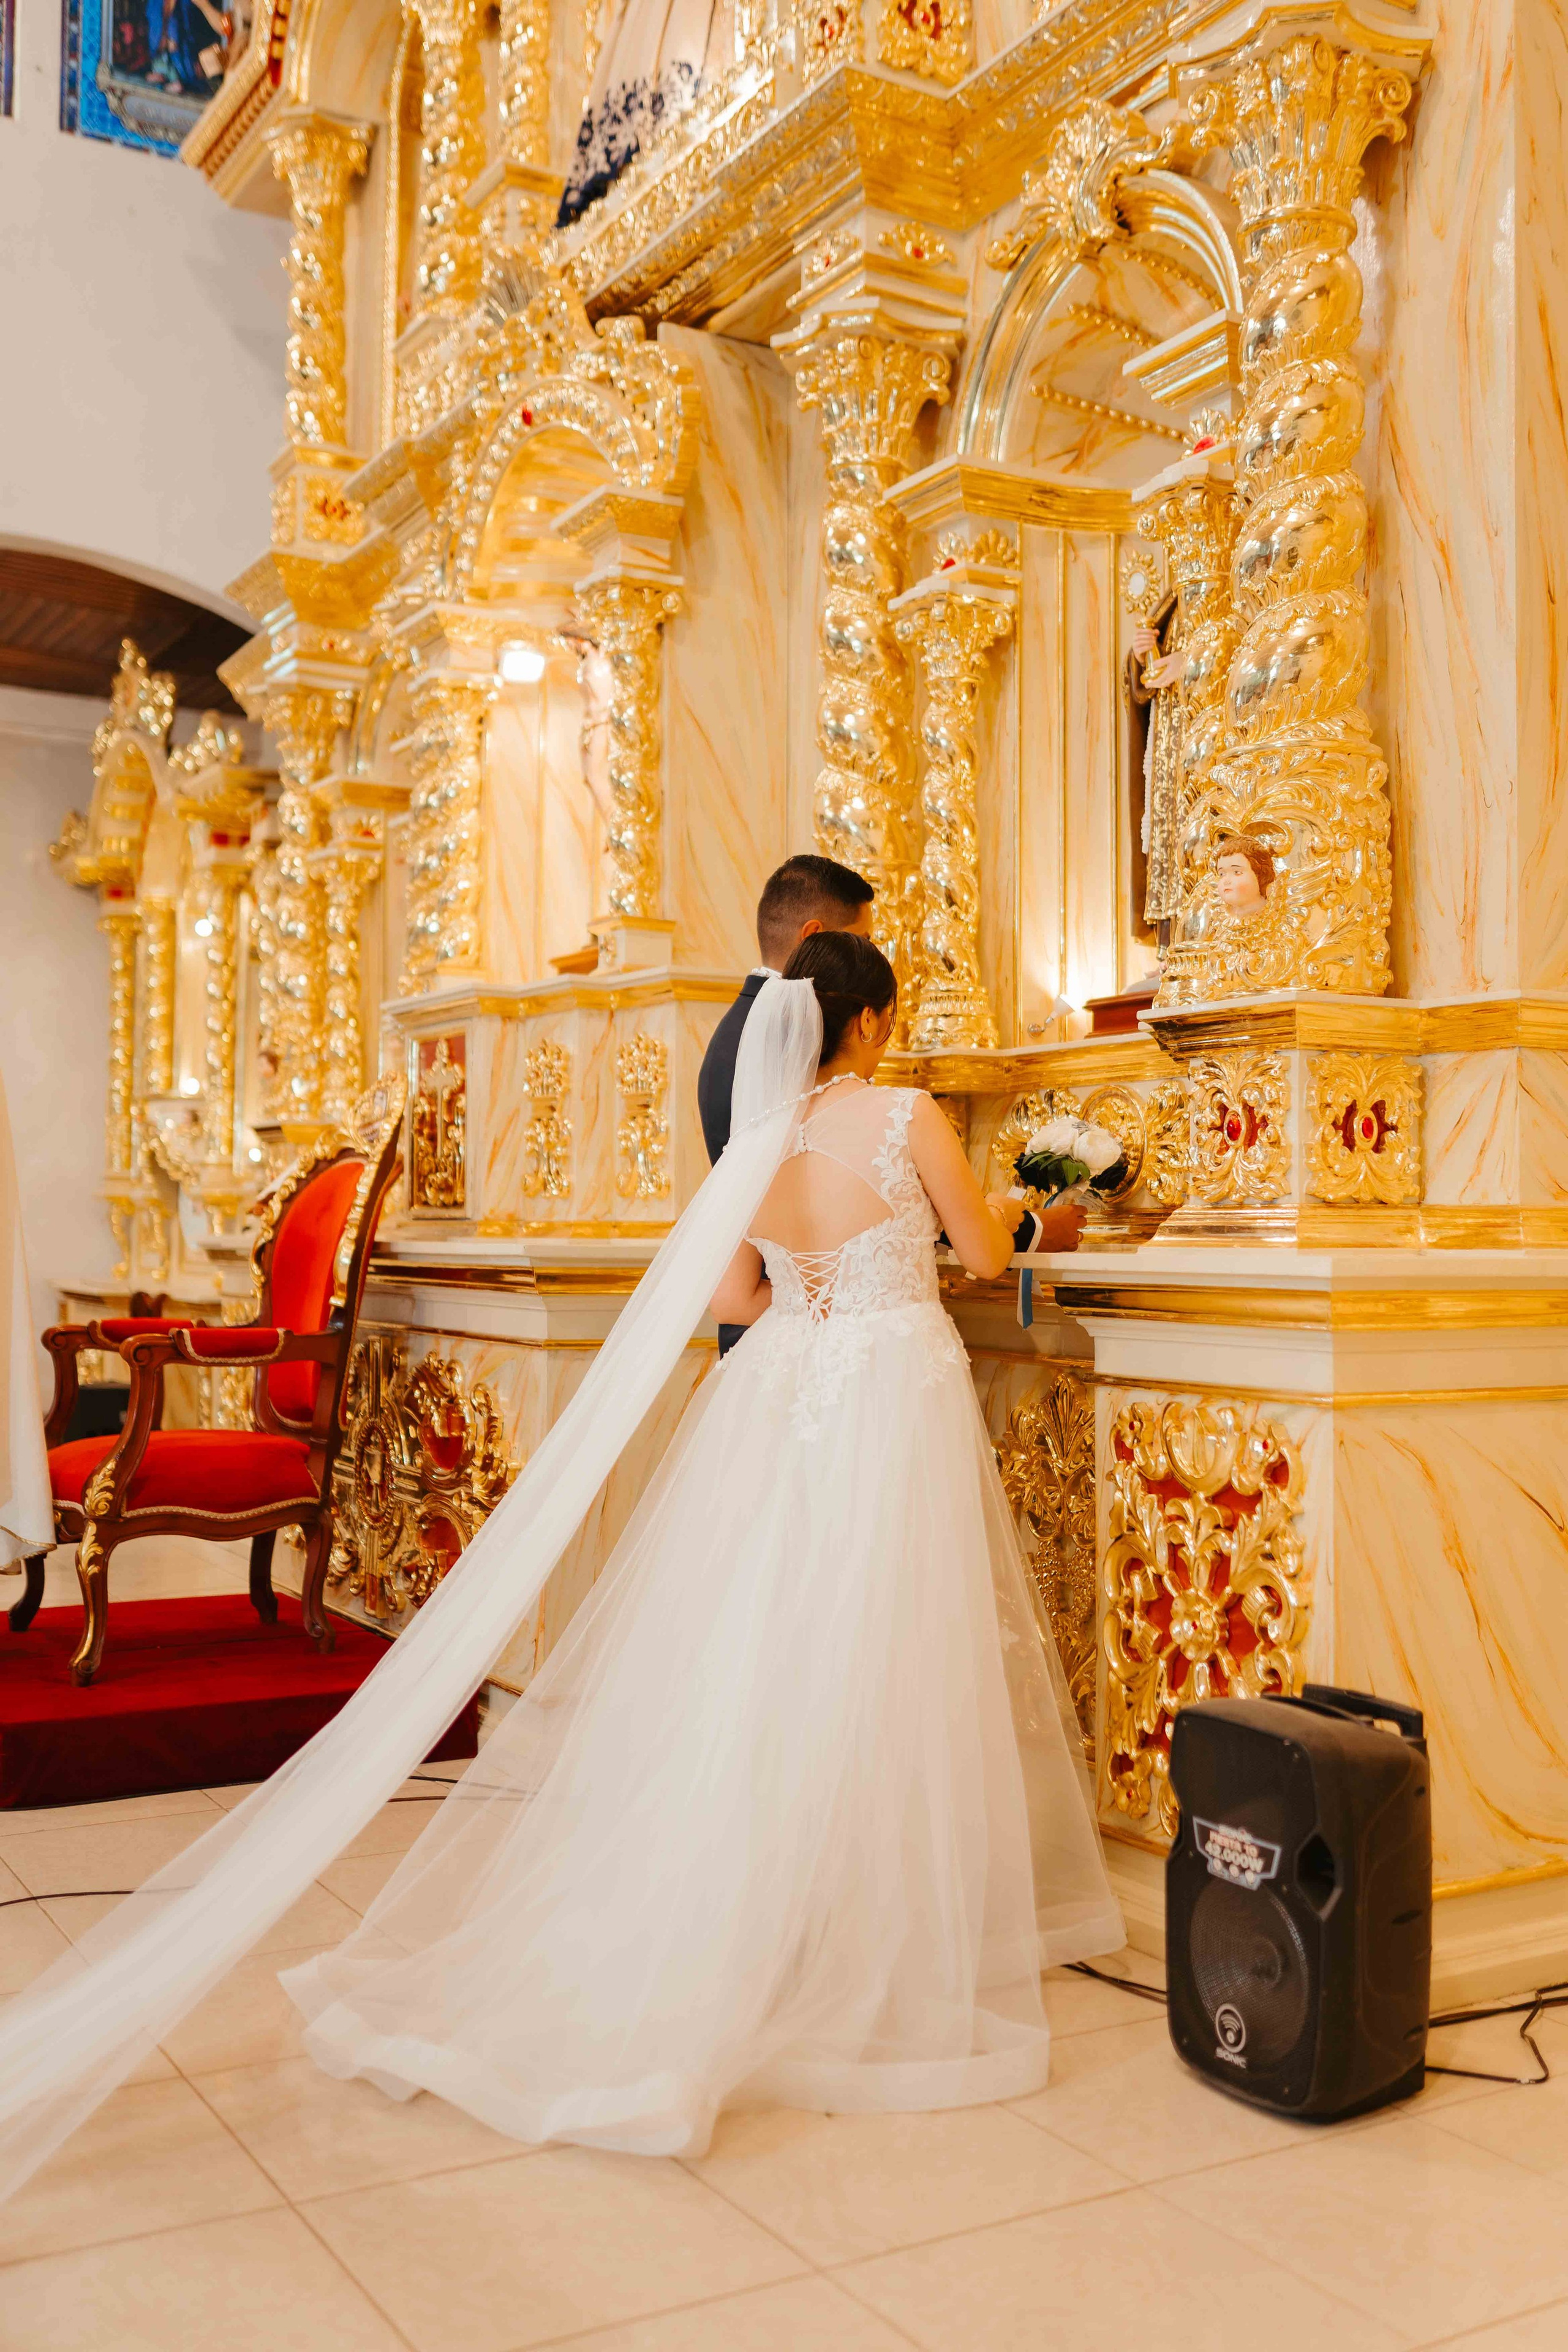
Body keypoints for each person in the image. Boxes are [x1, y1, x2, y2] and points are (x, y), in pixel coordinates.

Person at [0, 947, 1118, 2193]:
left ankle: (770, 1905)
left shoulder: (758, 1142)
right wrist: (1045, 1220)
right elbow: (974, 1255)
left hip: (783, 1389)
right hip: (883, 1394)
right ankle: (873, 1924)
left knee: (758, 1656)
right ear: (870, 1021)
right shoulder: (906, 1113)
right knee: (880, 1649)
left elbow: (740, 1288)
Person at [698, 854, 875, 1356]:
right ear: (813, 935)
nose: (871, 962)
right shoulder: (779, 1039)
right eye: (861, 943)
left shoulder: (744, 1026)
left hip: (783, 1318)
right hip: (781, 1323)